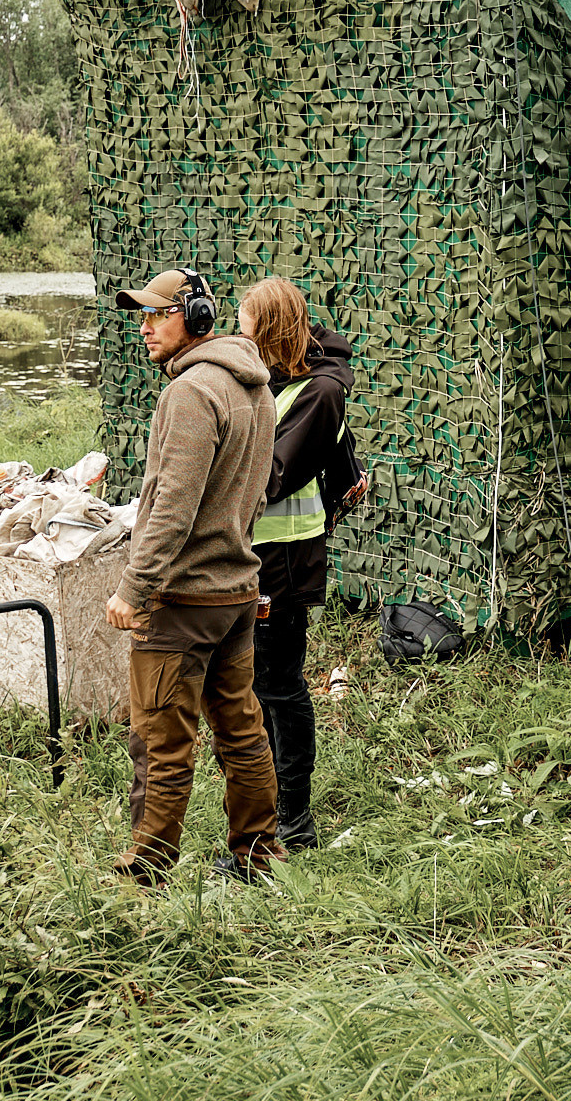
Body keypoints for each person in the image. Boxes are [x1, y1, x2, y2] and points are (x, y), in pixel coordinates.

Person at [107, 266, 281, 888]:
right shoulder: (254, 388)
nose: (146, 328)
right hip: (235, 590)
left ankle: (146, 870)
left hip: (181, 600)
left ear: (198, 319)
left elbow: (172, 505)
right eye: (142, 316)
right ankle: (261, 857)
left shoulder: (191, 393)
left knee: (160, 738)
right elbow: (257, 492)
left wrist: (134, 586)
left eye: (158, 314)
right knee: (241, 728)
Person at [237, 276, 356, 853]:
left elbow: (274, 476)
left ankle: (294, 820)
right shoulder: (274, 382)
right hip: (253, 552)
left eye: (245, 323)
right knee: (254, 685)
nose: (238, 333)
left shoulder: (318, 392)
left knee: (278, 687)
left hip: (282, 556)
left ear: (270, 329)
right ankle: (266, 807)